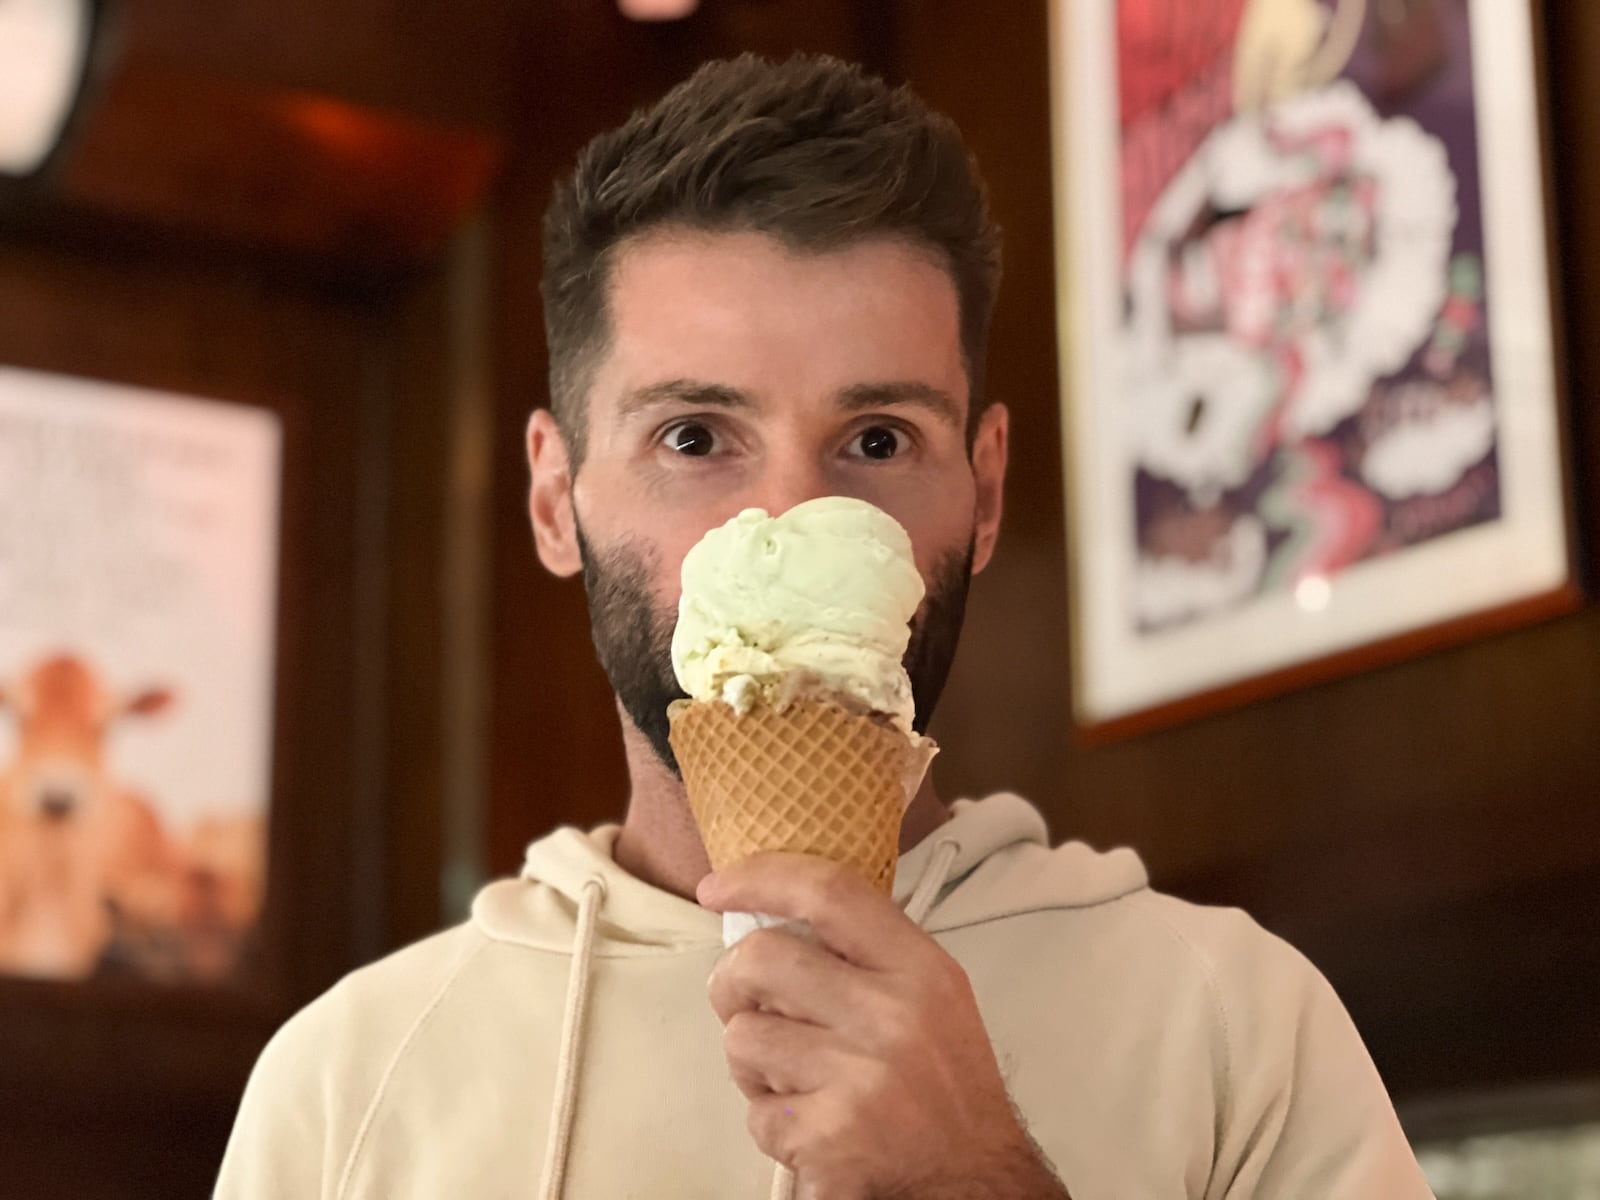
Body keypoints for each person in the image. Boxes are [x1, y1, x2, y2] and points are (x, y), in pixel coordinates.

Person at [216, 53, 1436, 1199]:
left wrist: (978, 1178)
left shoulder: (1237, 1023)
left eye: (877, 441)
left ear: (987, 492)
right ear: (554, 499)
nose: (789, 522)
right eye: (693, 438)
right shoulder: (344, 1086)